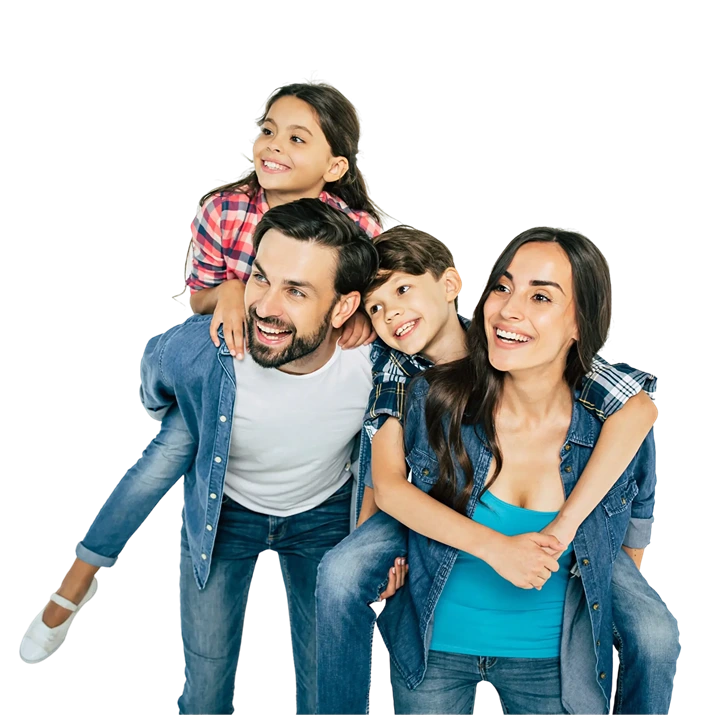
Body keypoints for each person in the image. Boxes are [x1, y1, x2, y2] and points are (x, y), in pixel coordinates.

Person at [19, 78, 382, 666]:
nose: (273, 146)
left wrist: (363, 312)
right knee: (159, 461)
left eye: (297, 138)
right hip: (224, 364)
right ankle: (74, 585)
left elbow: (386, 298)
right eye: (268, 131)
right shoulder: (226, 210)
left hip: (303, 394)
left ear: (335, 165)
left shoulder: (358, 232)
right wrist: (234, 290)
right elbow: (197, 298)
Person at [315, 226, 678, 715]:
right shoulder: (399, 374)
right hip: (415, 523)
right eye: (375, 308)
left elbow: (637, 415)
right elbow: (388, 486)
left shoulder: (560, 375)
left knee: (655, 632)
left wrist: (601, 544)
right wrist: (378, 550)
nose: (391, 314)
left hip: (557, 600)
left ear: (450, 287)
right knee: (342, 572)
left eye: (402, 291)